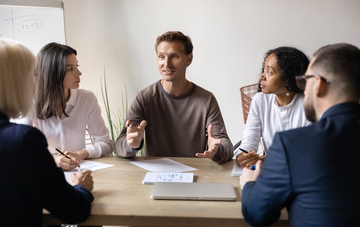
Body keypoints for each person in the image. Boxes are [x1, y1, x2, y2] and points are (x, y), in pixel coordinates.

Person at [240, 43, 360, 226]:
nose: (302, 86)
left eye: (306, 80)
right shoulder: (262, 103)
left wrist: (249, 183)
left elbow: (257, 214)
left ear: (317, 84)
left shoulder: (293, 144)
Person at [0, 38, 94, 226]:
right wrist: (81, 188)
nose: (37, 82)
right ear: (15, 84)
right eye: (31, 76)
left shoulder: (86, 98)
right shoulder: (22, 140)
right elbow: (73, 210)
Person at [115, 31, 233, 164]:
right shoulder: (145, 97)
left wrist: (217, 150)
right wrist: (131, 144)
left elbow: (227, 146)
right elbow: (120, 144)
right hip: (156, 176)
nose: (166, 63)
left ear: (189, 59)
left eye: (174, 56)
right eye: (161, 57)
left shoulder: (206, 100)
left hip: (196, 176)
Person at [29, 43, 113, 171]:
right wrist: (53, 160)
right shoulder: (29, 105)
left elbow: (106, 144)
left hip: (79, 173)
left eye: (77, 66)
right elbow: (22, 152)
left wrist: (80, 154)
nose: (79, 73)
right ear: (52, 73)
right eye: (70, 69)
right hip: (44, 175)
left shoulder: (87, 99)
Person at [236, 47, 310, 167]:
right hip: (271, 171)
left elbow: (309, 152)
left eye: (269, 72)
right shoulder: (260, 100)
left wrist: (274, 162)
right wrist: (243, 156)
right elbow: (250, 137)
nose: (262, 77)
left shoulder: (308, 106)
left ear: (288, 78)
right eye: (263, 70)